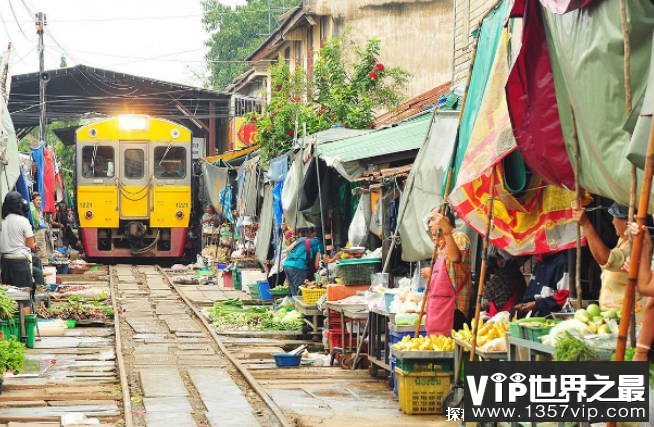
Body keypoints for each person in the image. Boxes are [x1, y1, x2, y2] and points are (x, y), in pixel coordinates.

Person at [572, 202, 643, 313]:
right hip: (614, 315)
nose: (613, 222)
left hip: (630, 317)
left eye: (615, 218)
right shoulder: (622, 241)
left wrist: (586, 224)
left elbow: (606, 259)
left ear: (627, 222)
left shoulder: (635, 244)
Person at [420, 205, 472, 336]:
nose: (430, 225)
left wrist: (447, 231)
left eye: (433, 220)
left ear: (445, 220)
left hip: (454, 312)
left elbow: (455, 258)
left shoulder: (459, 237)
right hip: (438, 312)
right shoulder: (441, 247)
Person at [0, 192, 38, 289]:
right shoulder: (23, 221)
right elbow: (30, 245)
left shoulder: (2, 221)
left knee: (10, 297)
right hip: (19, 262)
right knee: (24, 296)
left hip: (4, 263)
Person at [514, 250, 569, 317]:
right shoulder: (540, 261)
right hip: (533, 315)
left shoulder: (562, 263)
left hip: (550, 316)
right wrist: (524, 304)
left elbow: (562, 299)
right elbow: (532, 291)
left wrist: (536, 304)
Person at [481, 246, 526, 316]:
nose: (500, 261)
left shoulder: (497, 279)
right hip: (517, 314)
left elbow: (483, 304)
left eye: (501, 258)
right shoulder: (518, 275)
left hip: (502, 317)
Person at [283, 229, 324, 296]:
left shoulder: (301, 239)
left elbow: (288, 250)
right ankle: (298, 305)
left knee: (293, 289)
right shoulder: (319, 243)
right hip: (298, 266)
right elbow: (317, 264)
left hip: (287, 264)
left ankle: (295, 304)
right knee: (299, 290)